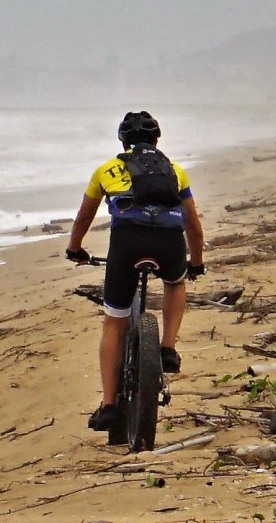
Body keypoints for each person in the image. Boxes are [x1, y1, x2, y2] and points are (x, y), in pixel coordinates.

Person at [65, 111, 205, 432]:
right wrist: (195, 262)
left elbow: (83, 219)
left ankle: (110, 405)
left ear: (123, 142)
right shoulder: (175, 171)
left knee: (114, 322)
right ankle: (168, 348)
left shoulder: (105, 170)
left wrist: (75, 248)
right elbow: (193, 227)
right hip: (169, 244)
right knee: (175, 281)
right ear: (157, 141)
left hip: (127, 244)